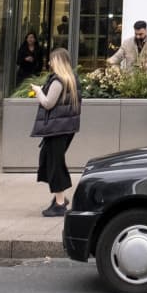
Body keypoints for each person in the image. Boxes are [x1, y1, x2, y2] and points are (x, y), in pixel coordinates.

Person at [30, 47, 83, 217]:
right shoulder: (71, 79)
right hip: (65, 128)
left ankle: (60, 204)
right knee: (53, 160)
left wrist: (38, 91)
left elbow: (48, 103)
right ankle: (60, 198)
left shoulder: (58, 81)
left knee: (54, 163)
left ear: (58, 61)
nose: (49, 62)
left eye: (52, 59)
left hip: (56, 129)